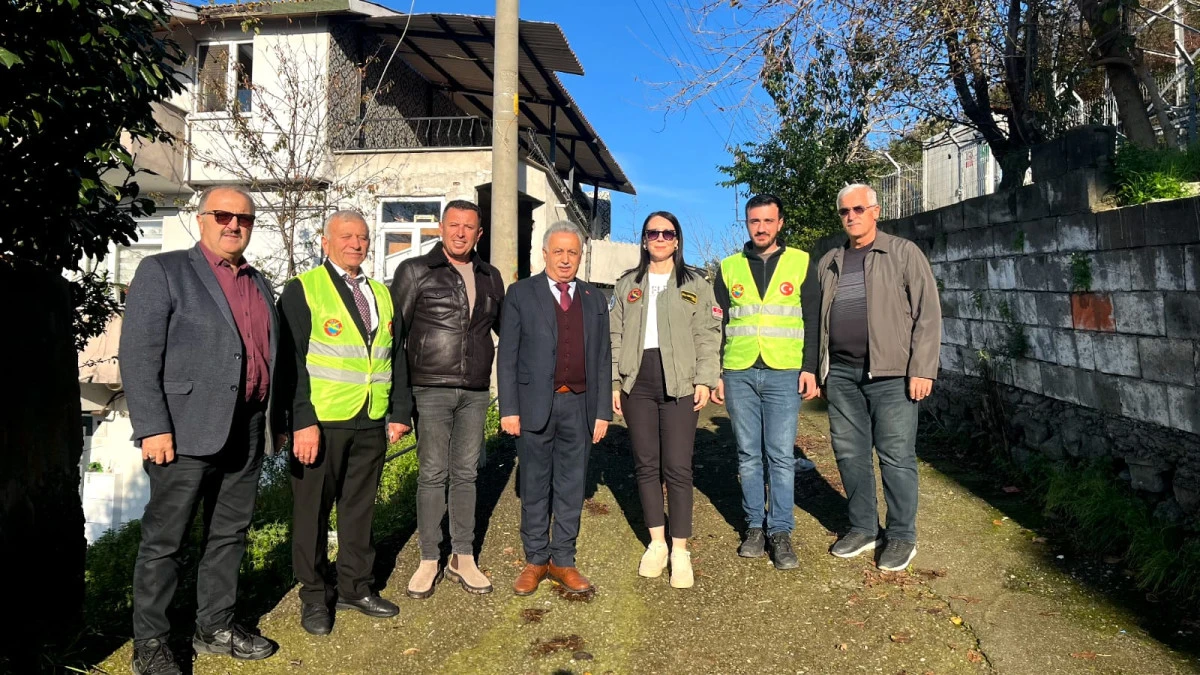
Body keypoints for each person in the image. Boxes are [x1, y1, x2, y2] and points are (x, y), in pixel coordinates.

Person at [120, 186, 278, 674]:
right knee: (165, 541)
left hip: (247, 424)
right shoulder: (164, 271)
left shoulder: (260, 282)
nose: (234, 225)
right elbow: (139, 353)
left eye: (244, 219)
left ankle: (216, 627)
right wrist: (152, 426)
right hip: (182, 431)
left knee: (229, 534)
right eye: (224, 215)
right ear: (201, 218)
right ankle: (150, 645)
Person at [276, 210, 408, 636]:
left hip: (370, 419)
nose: (356, 244)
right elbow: (290, 363)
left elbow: (396, 355)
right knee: (311, 513)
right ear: (325, 241)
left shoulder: (381, 294)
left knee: (359, 510)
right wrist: (301, 421)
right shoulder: (304, 289)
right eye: (346, 236)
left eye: (363, 237)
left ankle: (355, 586)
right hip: (321, 422)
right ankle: (315, 596)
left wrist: (399, 411)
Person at [817, 184, 941, 572]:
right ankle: (863, 527)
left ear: (875, 211)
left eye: (858, 209)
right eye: (844, 211)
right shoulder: (830, 262)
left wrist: (922, 368)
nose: (851, 216)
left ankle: (902, 535)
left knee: (896, 457)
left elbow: (928, 314)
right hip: (841, 373)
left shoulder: (903, 253)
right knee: (850, 454)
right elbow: (814, 321)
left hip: (892, 375)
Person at [390, 200, 504, 598]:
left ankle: (462, 555)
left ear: (479, 234)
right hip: (430, 388)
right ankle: (427, 557)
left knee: (467, 473)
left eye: (468, 227)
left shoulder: (491, 277)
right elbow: (394, 339)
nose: (460, 232)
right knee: (433, 473)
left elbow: (507, 332)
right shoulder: (415, 271)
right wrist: (399, 405)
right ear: (441, 229)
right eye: (453, 225)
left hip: (474, 391)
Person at [497, 221, 613, 596]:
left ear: (581, 256)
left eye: (572, 252)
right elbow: (508, 356)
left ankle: (563, 559)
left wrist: (601, 412)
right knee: (533, 484)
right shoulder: (520, 294)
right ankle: (535, 559)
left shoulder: (594, 299)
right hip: (534, 405)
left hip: (578, 405)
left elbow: (601, 358)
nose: (565, 259)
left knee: (570, 484)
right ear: (544, 254)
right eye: (558, 251)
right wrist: (508, 408)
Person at [609, 211, 721, 588]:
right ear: (644, 240)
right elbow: (614, 336)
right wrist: (613, 382)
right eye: (652, 232)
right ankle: (656, 543)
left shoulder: (696, 284)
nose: (659, 238)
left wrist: (706, 379)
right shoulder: (627, 284)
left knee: (678, 466)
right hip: (636, 382)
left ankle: (680, 549)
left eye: (667, 233)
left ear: (677, 240)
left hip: (680, 382)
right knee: (645, 464)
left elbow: (708, 334)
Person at [711, 193, 821, 570]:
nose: (760, 228)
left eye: (767, 221)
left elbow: (812, 319)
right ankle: (754, 527)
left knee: (780, 456)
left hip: (784, 371)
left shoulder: (802, 262)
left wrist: (810, 368)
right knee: (748, 455)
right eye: (754, 221)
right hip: (739, 371)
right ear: (747, 224)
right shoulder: (727, 267)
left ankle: (781, 531)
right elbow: (718, 326)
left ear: (780, 223)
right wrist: (717, 374)